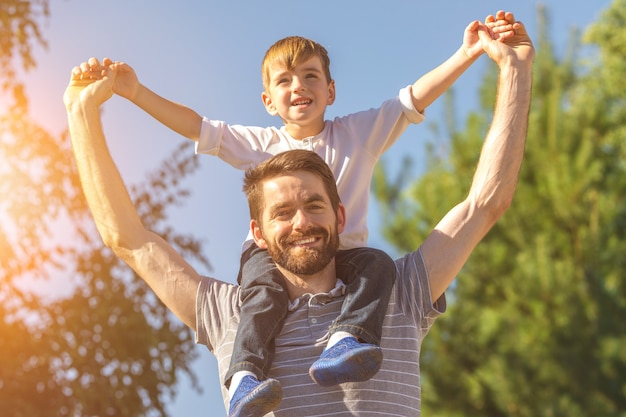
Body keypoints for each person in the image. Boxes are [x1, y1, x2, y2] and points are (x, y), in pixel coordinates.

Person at [64, 10, 534, 417]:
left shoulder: (397, 292)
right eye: (282, 211)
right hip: (259, 298)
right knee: (265, 294)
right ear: (258, 232)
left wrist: (513, 68)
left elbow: (485, 201)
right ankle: (244, 375)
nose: (301, 221)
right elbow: (129, 237)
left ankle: (348, 340)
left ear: (340, 215)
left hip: (365, 284)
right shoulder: (235, 311)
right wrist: (83, 113)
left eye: (314, 205)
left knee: (374, 264)